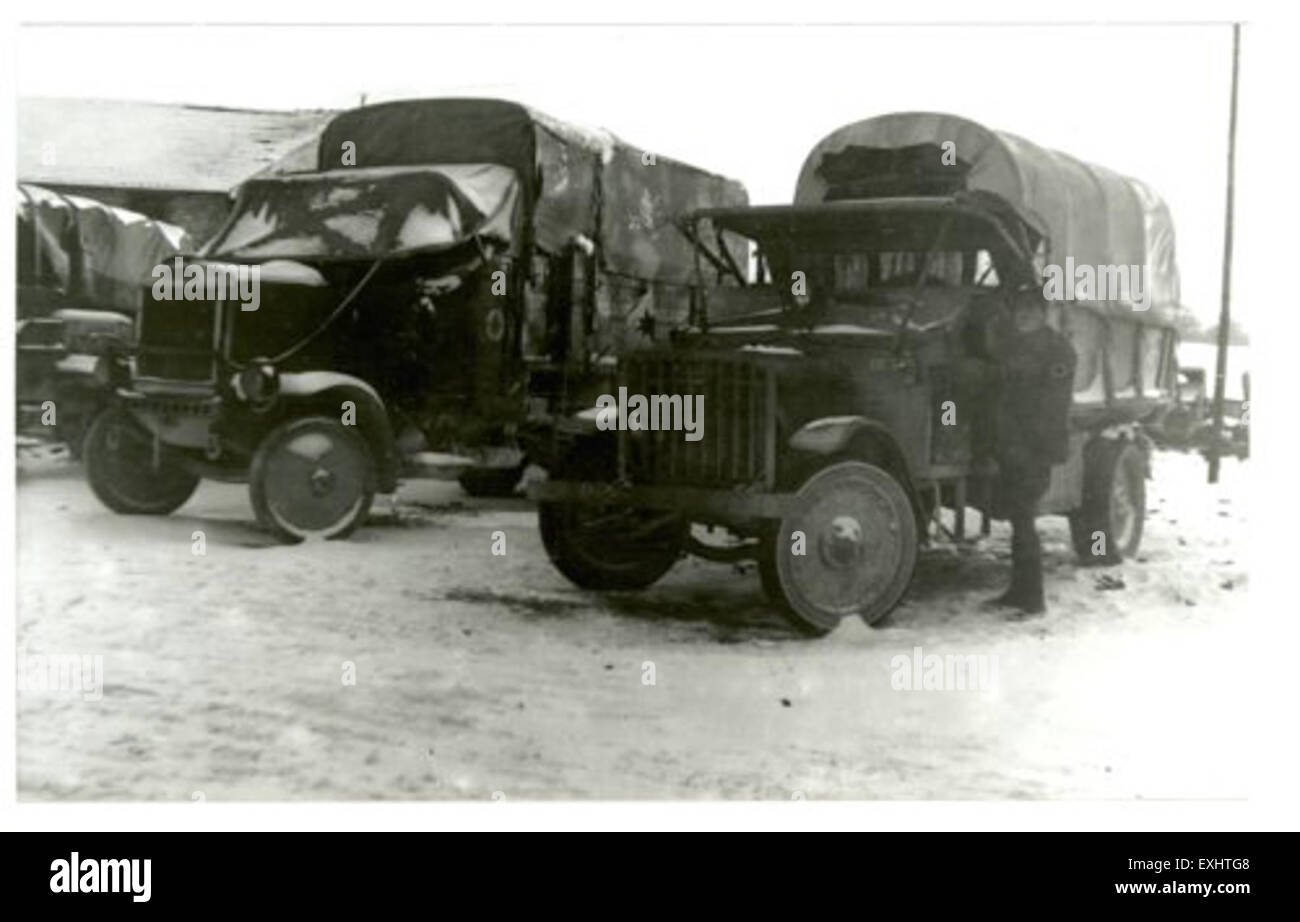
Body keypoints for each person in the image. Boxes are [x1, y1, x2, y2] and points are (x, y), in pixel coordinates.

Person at [986, 287, 1077, 615]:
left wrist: (1034, 447)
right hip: (1011, 445)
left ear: (1043, 312)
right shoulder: (1014, 346)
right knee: (1018, 518)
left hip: (1034, 448)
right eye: (1019, 310)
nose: (1022, 316)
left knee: (1024, 518)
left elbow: (1053, 406)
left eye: (1029, 310)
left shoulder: (1058, 351)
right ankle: (1018, 589)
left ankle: (1033, 597)